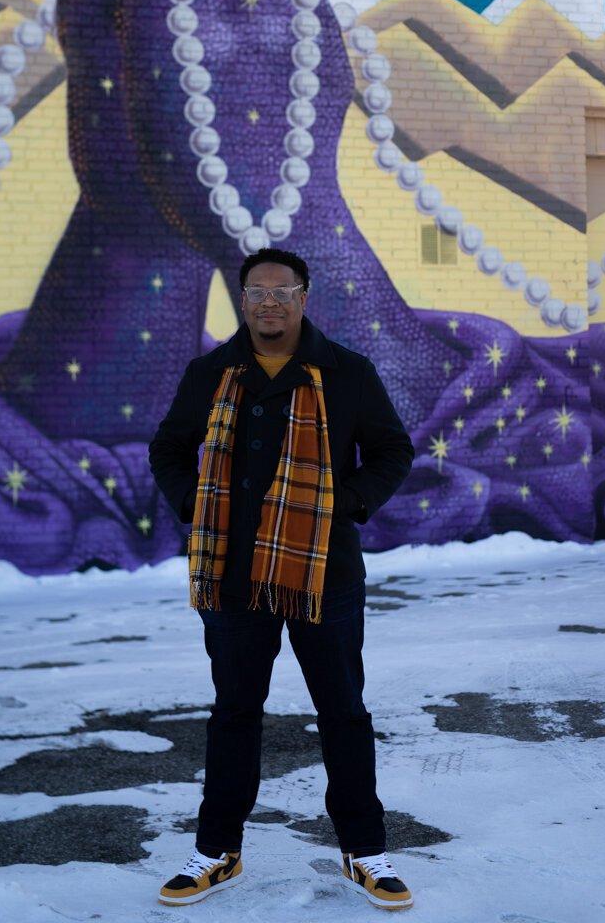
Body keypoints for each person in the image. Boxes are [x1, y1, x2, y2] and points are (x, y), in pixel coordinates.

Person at [149, 247, 416, 910]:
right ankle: (218, 850)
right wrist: (193, 503)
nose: (269, 302)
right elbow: (169, 448)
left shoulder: (345, 372)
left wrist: (346, 505)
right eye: (256, 292)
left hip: (323, 569)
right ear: (242, 301)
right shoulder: (211, 371)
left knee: (343, 712)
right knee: (234, 712)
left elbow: (392, 452)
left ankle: (364, 849)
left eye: (282, 291)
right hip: (234, 575)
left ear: (303, 296)